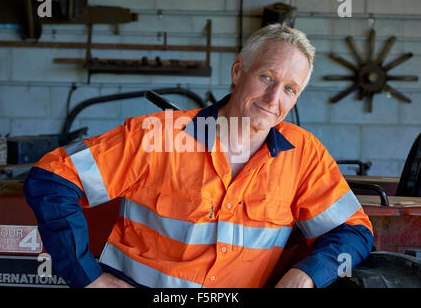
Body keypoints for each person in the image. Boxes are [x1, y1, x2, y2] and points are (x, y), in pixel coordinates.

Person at [23, 23, 374, 288]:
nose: (272, 99)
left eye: (289, 89)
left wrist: (305, 276)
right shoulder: (158, 136)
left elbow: (353, 231)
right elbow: (51, 179)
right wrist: (88, 278)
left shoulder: (303, 155)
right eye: (266, 77)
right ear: (238, 71)